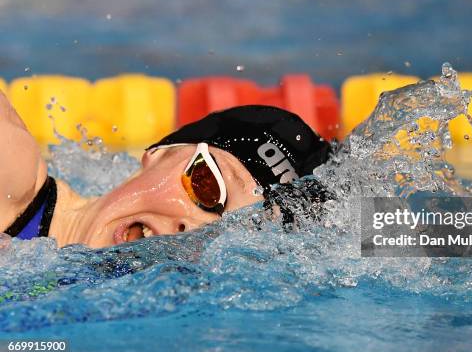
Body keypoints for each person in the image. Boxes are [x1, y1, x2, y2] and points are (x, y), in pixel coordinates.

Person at [0, 91, 331, 248]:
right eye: (207, 186)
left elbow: (371, 243)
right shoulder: (13, 183)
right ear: (159, 153)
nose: (197, 229)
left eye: (238, 230)